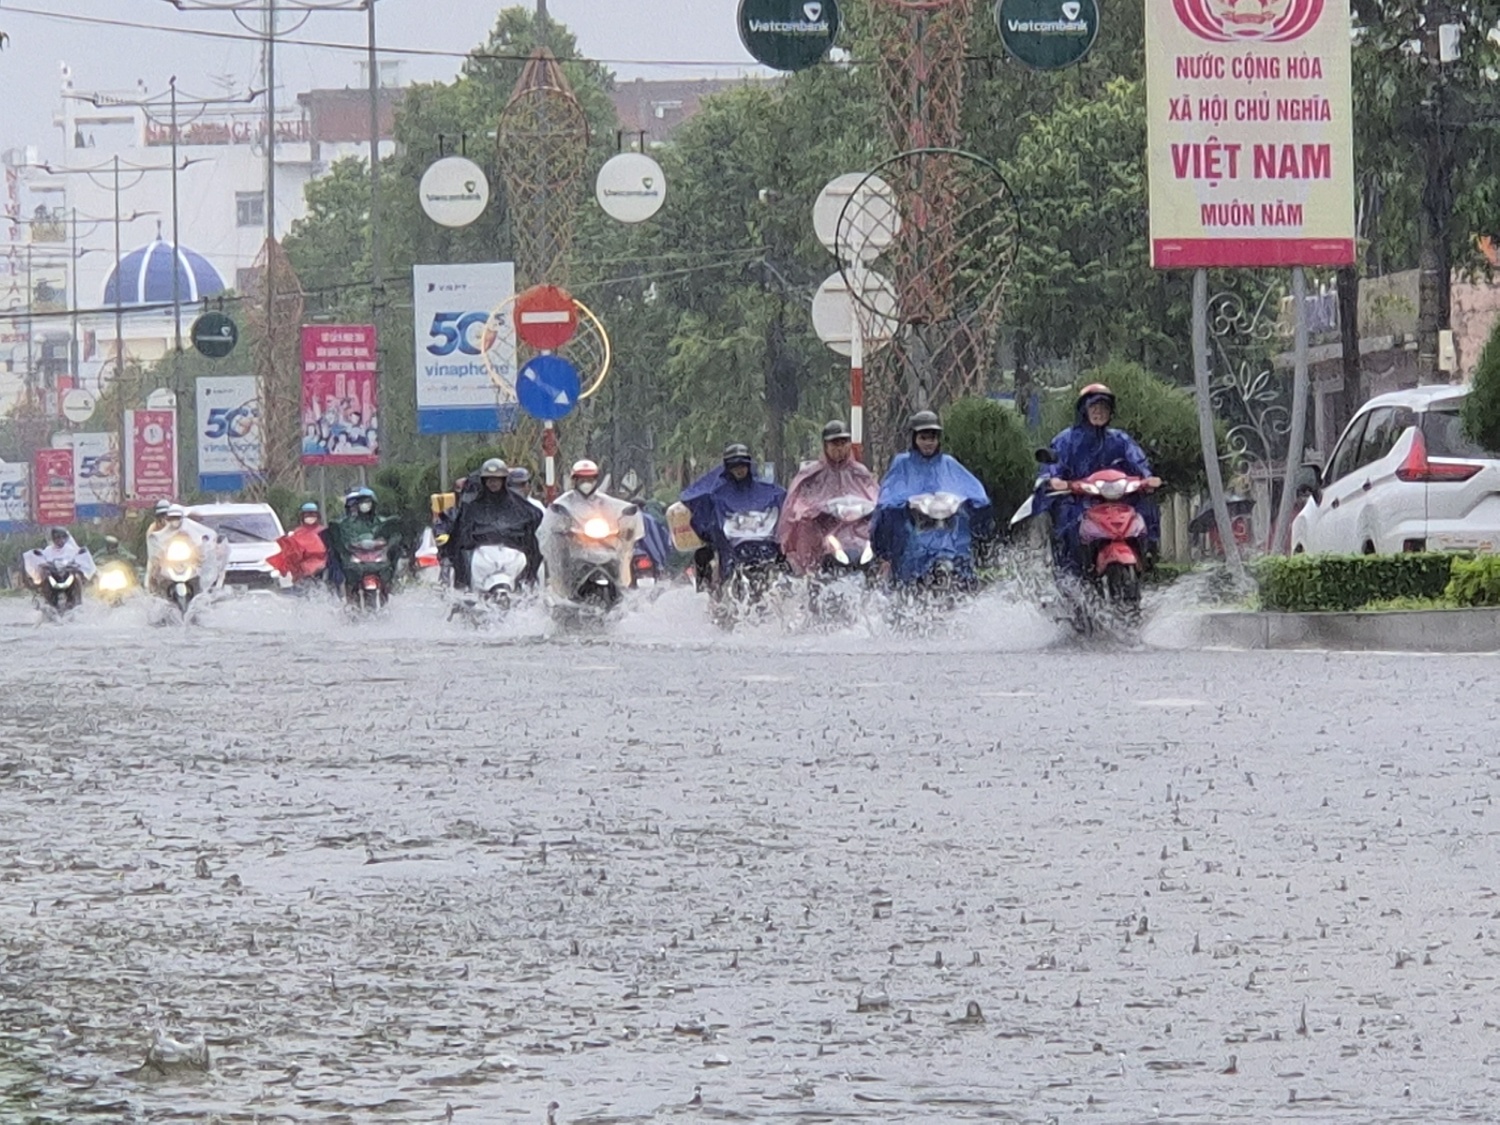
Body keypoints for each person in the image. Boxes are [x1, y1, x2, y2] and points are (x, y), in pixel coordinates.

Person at [1035, 383, 1162, 575]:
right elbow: (1053, 466)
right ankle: (1070, 571)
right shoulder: (1066, 440)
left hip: (1119, 498)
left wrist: (1148, 478)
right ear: (1083, 410)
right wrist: (1053, 479)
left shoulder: (1120, 439)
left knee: (1146, 505)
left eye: (1104, 408)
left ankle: (1149, 550)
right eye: (1093, 407)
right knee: (1066, 517)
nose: (1099, 412)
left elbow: (1138, 460)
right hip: (1078, 499)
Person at [871, 410, 994, 586]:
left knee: (962, 555)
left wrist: (968, 503)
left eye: (932, 438)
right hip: (914, 530)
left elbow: (976, 494)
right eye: (923, 438)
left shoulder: (949, 463)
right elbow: (888, 498)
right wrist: (906, 504)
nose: (928, 443)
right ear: (914, 438)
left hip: (949, 532)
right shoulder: (903, 463)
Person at [777, 419, 880, 576]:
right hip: (823, 528)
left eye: (843, 443)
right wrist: (812, 510)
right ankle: (809, 573)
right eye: (834, 443)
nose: (839, 448)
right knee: (806, 527)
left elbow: (875, 496)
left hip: (856, 531)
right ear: (825, 446)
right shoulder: (812, 474)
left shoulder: (860, 473)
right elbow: (798, 502)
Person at [680, 443, 787, 591]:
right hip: (732, 554)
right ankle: (709, 593)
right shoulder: (716, 495)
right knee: (703, 556)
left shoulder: (770, 492)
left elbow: (785, 515)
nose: (739, 469)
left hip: (766, 551)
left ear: (748, 465)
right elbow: (704, 524)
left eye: (742, 465)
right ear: (728, 468)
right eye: (734, 466)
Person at [539, 459, 643, 601]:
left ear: (596, 480)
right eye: (582, 479)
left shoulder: (605, 502)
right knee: (560, 561)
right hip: (575, 550)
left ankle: (624, 592)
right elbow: (550, 523)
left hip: (604, 547)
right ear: (575, 481)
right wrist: (563, 530)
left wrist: (626, 521)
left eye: (590, 479)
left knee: (623, 560)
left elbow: (620, 510)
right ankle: (563, 593)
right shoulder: (563, 503)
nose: (586, 483)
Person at [448, 459, 542, 590]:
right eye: (489, 479)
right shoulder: (472, 507)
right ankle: (465, 590)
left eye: (497, 479)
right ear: (484, 481)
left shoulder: (520, 506)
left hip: (513, 556)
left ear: (504, 480)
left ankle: (529, 586)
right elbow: (460, 534)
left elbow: (535, 523)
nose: (493, 483)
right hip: (482, 558)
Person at [145, 505, 224, 594]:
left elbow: (197, 541)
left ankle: (206, 590)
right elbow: (155, 543)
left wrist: (201, 548)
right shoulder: (157, 530)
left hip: (188, 560)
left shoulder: (189, 529)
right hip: (168, 560)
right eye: (172, 518)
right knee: (153, 569)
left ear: (182, 518)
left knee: (204, 568)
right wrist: (158, 553)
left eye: (177, 517)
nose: (175, 520)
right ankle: (152, 590)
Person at [267, 501, 329, 586]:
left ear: (317, 516)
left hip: (323, 565)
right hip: (302, 568)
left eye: (313, 515)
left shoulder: (323, 531)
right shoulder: (298, 532)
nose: (310, 517)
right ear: (302, 516)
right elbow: (292, 550)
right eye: (307, 515)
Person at [23, 526, 96, 592]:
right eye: (57, 538)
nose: (61, 540)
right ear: (53, 539)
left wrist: (77, 563)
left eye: (63, 537)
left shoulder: (71, 549)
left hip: (68, 572)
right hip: (53, 573)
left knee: (77, 577)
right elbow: (42, 557)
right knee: (45, 577)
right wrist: (40, 559)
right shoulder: (48, 550)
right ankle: (45, 594)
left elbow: (78, 556)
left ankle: (78, 595)